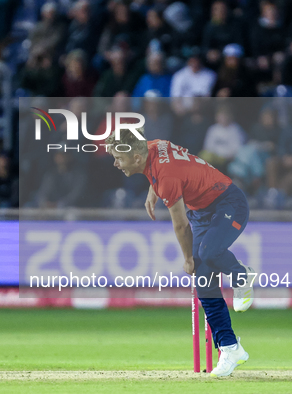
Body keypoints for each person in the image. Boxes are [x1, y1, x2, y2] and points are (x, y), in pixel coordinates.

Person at [105, 127, 255, 377]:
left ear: (137, 158)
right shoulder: (151, 145)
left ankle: (242, 275)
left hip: (228, 202)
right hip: (201, 211)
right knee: (204, 282)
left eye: (119, 158)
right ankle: (231, 348)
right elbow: (160, 166)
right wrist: (153, 191)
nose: (115, 163)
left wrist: (187, 258)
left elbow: (181, 225)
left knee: (207, 253)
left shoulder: (166, 179)